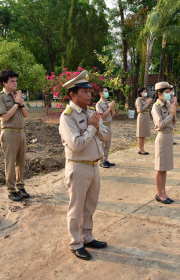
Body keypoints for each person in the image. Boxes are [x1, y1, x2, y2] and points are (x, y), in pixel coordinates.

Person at [59, 70, 109, 260]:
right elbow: (77, 145)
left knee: (90, 205)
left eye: (89, 92)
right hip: (78, 167)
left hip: (94, 165)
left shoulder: (91, 112)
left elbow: (105, 135)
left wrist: (95, 126)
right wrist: (91, 127)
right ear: (73, 94)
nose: (89, 95)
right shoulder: (67, 116)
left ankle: (87, 236)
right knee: (76, 207)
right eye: (84, 92)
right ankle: (76, 242)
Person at [0, 70, 30, 202]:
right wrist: (16, 104)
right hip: (9, 133)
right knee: (10, 162)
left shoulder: (18, 96)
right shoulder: (0, 97)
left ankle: (20, 186)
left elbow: (26, 115)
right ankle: (11, 190)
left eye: (16, 81)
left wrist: (20, 103)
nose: (15, 83)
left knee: (21, 162)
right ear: (4, 83)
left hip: (21, 132)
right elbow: (5, 117)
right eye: (12, 81)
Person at [151, 81, 177, 204]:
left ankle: (164, 191)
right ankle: (159, 193)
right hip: (161, 137)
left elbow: (172, 123)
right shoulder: (156, 107)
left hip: (169, 137)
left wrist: (173, 114)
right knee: (159, 168)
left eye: (169, 92)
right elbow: (159, 124)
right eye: (166, 92)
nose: (169, 94)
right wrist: (171, 116)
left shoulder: (167, 105)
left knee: (165, 168)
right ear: (159, 93)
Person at [96, 87, 115, 168]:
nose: (107, 93)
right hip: (103, 126)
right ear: (101, 93)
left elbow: (113, 115)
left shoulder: (108, 103)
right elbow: (102, 116)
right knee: (102, 144)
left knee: (108, 144)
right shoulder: (98, 104)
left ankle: (106, 159)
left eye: (107, 91)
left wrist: (112, 108)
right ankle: (101, 161)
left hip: (109, 125)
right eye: (105, 91)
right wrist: (110, 108)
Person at [135, 87, 152, 155]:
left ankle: (143, 148)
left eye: (145, 91)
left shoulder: (145, 99)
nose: (145, 93)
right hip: (142, 117)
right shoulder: (138, 99)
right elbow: (140, 110)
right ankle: (140, 149)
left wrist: (149, 104)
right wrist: (147, 104)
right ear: (140, 93)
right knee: (140, 134)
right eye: (144, 91)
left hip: (147, 116)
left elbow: (149, 108)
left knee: (144, 134)